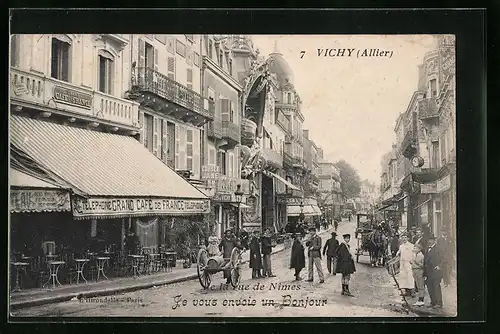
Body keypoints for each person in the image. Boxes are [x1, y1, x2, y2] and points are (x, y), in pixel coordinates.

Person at [424, 235, 443, 309]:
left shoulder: (438, 249)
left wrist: (439, 266)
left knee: (436, 287)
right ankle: (433, 302)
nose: (429, 241)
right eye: (428, 240)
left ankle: (439, 303)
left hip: (436, 272)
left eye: (431, 240)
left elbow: (444, 258)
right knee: (430, 287)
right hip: (428, 272)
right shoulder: (427, 249)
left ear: (434, 241)